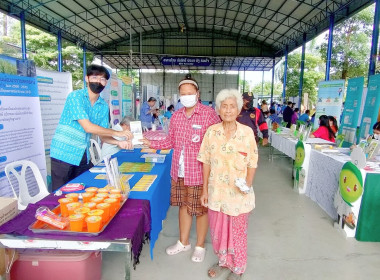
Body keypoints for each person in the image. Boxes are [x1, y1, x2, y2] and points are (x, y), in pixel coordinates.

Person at [141, 74, 220, 262]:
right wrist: (149, 141)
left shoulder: (209, 114)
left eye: (190, 93)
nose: (186, 96)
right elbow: (170, 141)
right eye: (182, 93)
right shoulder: (176, 115)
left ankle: (200, 245)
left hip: (200, 171)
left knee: (201, 209)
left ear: (197, 94)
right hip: (179, 170)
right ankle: (183, 242)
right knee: (183, 206)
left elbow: (217, 141)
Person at [198, 89, 258, 280]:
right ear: (218, 109)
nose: (228, 110)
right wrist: (204, 190)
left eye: (232, 106)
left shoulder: (246, 132)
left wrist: (247, 186)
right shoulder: (211, 132)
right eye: (224, 106)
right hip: (216, 193)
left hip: (239, 194)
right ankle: (224, 261)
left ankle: (238, 267)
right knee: (217, 231)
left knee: (237, 233)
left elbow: (252, 162)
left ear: (238, 109)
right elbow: (205, 160)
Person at [50, 64, 133, 191]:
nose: (99, 82)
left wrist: (118, 142)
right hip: (63, 153)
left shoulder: (103, 106)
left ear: (106, 83)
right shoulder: (75, 97)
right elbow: (88, 127)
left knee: (83, 191)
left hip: (83, 155)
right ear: (87, 79)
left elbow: (103, 136)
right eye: (95, 77)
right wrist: (119, 133)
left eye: (103, 79)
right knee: (60, 194)